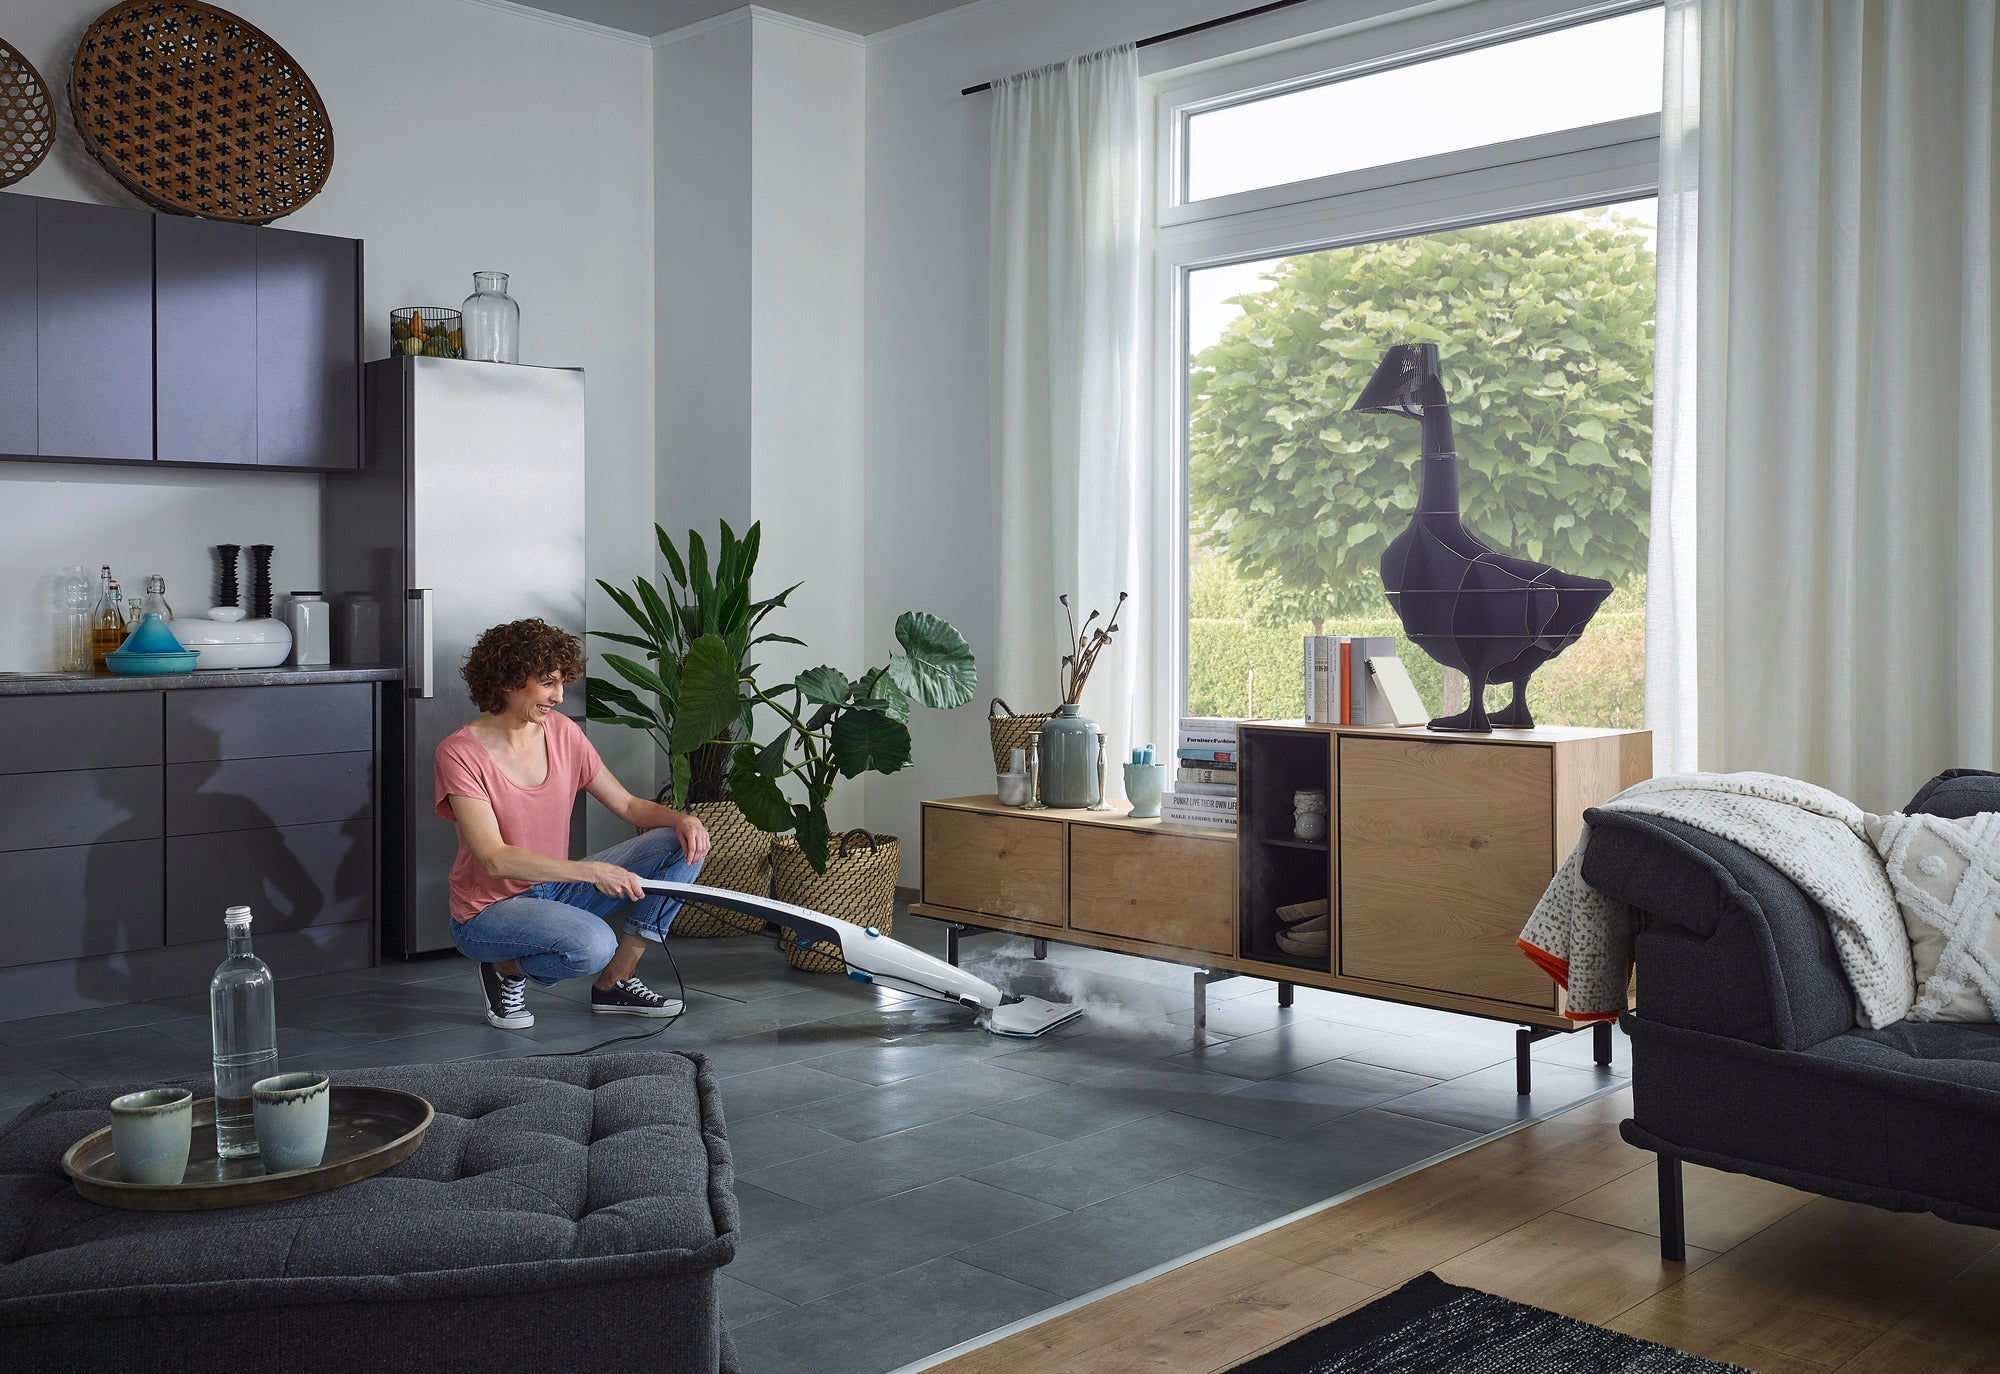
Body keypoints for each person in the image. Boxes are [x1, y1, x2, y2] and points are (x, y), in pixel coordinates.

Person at [434, 618, 710, 1029]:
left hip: (556, 889)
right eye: (548, 683)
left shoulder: (563, 734)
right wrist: (590, 872)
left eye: (562, 683)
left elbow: (629, 806)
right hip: (490, 911)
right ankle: (503, 967)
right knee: (593, 944)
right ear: (508, 680)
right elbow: (493, 859)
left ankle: (616, 982)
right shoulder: (459, 754)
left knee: (678, 842)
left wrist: (683, 818)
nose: (560, 697)